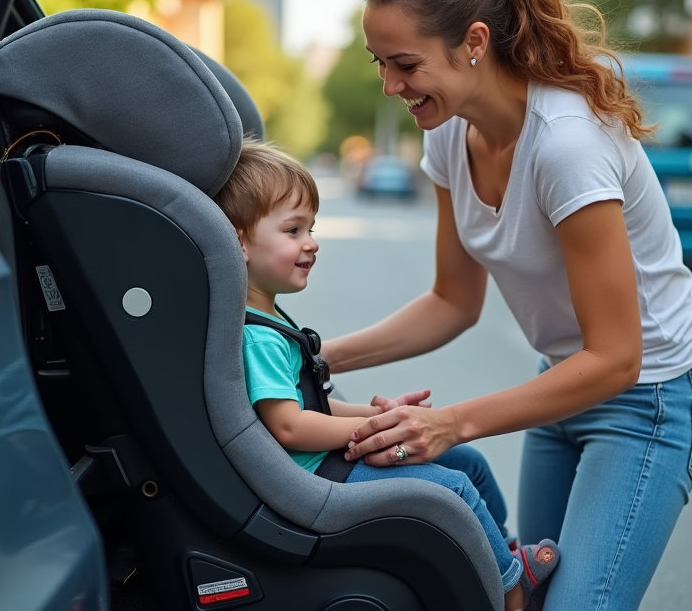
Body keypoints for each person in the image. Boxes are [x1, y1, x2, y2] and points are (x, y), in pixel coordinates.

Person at [322, 0, 692, 611]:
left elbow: (618, 357)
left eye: (406, 64)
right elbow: (453, 300)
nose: (390, 84)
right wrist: (314, 358)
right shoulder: (450, 135)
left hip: (653, 399)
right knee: (516, 599)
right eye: (378, 63)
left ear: (474, 42)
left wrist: (451, 423)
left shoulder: (567, 145)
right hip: (563, 387)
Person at [214, 139, 560, 611]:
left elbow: (307, 404)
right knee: (453, 488)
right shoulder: (259, 337)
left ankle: (501, 556)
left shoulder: (272, 320)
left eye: (311, 228)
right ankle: (513, 592)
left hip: (323, 462)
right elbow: (289, 426)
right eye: (293, 230)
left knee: (468, 462)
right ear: (238, 240)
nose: (311, 242)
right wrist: (367, 430)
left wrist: (385, 415)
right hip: (318, 478)